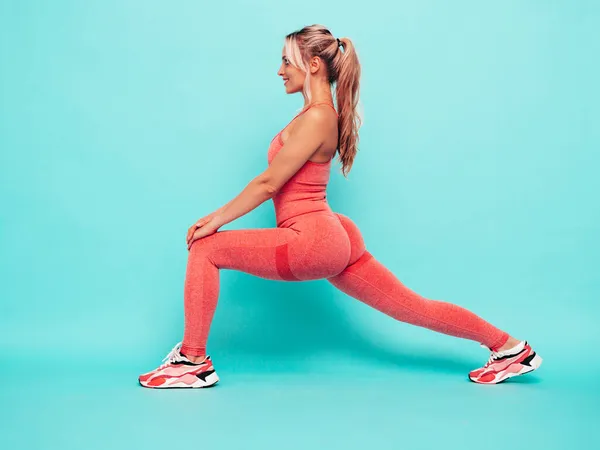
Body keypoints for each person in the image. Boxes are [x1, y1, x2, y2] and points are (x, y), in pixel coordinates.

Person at [138, 24, 542, 389]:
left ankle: (192, 361)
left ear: (313, 64)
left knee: (206, 248)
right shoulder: (315, 115)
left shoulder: (317, 117)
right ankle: (510, 349)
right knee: (409, 306)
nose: (279, 70)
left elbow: (268, 182)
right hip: (331, 232)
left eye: (286, 61)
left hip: (313, 239)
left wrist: (215, 219)